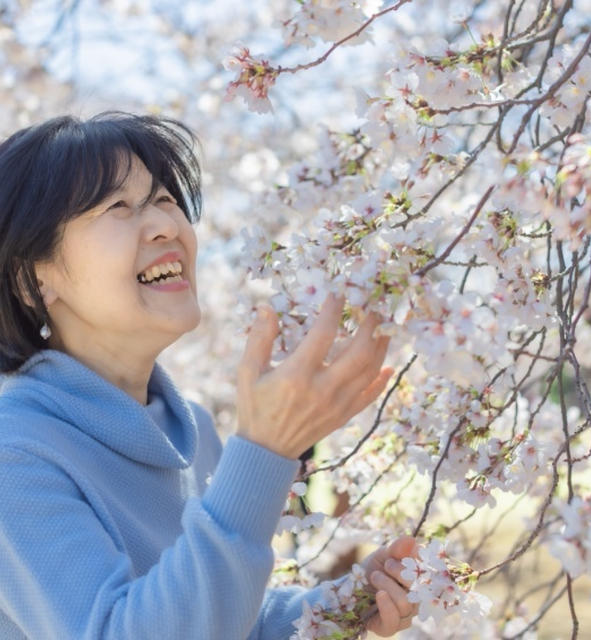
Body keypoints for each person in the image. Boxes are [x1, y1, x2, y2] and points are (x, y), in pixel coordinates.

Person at [0, 112, 418, 639]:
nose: (166, 226)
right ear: (33, 279)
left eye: (165, 199)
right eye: (119, 207)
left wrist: (342, 607)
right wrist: (265, 449)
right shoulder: (14, 453)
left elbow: (223, 621)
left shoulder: (191, 429)